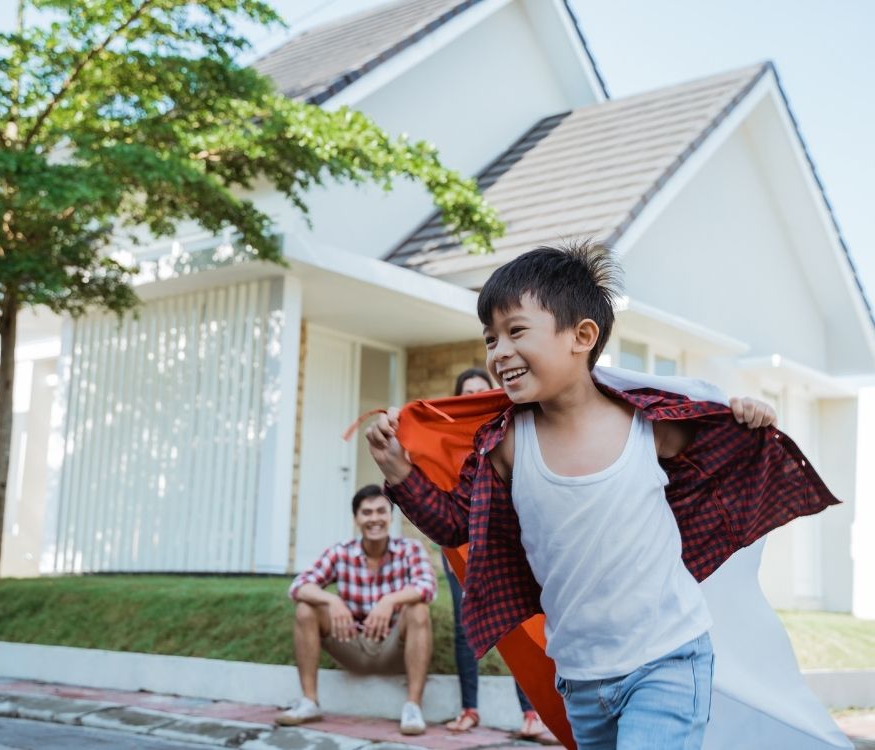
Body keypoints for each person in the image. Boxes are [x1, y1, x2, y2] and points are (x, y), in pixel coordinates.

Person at [365, 242, 838, 750]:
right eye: (490, 338)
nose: (499, 352)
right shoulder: (506, 446)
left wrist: (744, 413)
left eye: (516, 331)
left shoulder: (645, 425)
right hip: (581, 677)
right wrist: (399, 472)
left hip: (668, 660)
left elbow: (721, 443)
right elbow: (458, 525)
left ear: (582, 336)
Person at [277, 484, 436, 735]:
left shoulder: (410, 549)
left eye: (381, 511)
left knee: (418, 610)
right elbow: (299, 586)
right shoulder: (341, 553)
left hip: (393, 647)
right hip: (350, 643)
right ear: (356, 519)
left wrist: (390, 600)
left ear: (390, 517)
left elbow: (427, 587)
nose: (374, 519)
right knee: (306, 609)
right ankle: (309, 702)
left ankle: (413, 707)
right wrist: (333, 601)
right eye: (367, 512)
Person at [444, 368, 544, 738]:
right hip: (459, 545)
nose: (471, 397)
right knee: (462, 628)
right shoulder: (448, 441)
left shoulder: (508, 432)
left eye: (479, 392)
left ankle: (530, 713)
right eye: (465, 392)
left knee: (520, 623)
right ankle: (469, 709)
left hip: (504, 541)